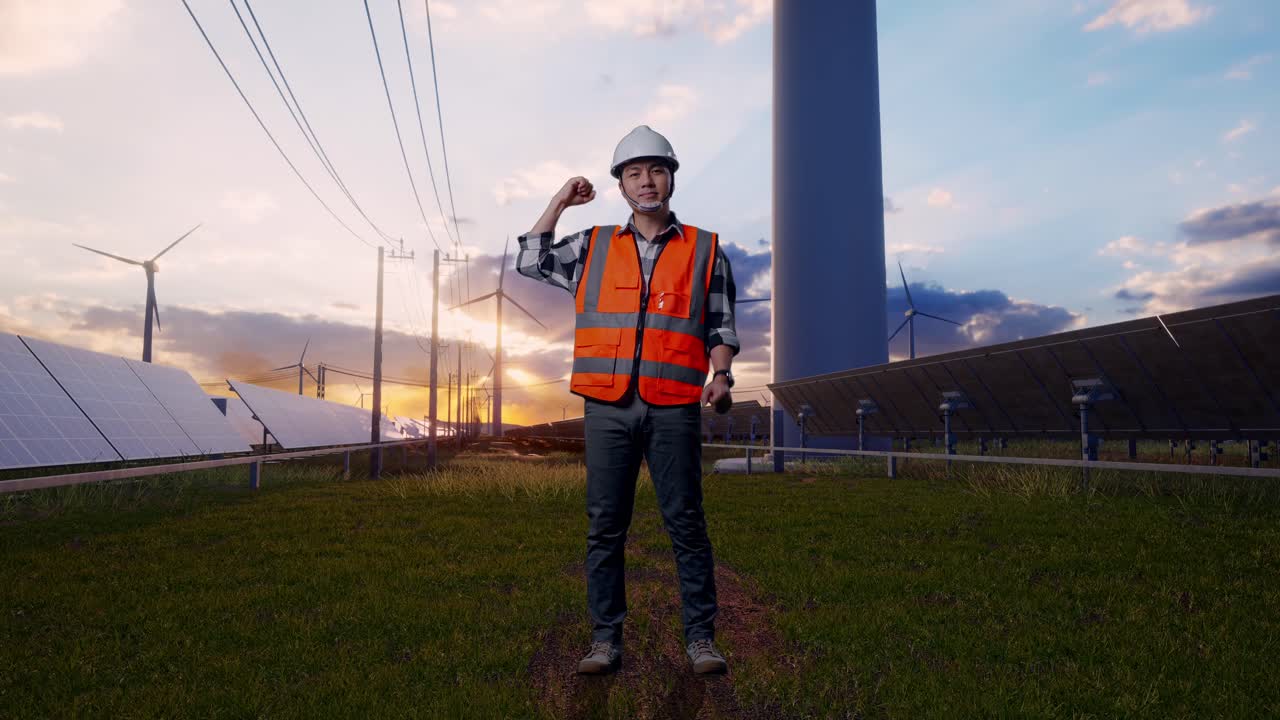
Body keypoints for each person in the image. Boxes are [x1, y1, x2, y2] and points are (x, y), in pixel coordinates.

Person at [516, 126, 740, 675]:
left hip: (673, 404)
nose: (647, 182)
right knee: (604, 526)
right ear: (621, 185)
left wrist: (722, 376)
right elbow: (531, 260)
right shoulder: (592, 245)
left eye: (657, 171)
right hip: (608, 405)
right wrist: (559, 202)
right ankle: (604, 640)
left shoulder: (706, 249)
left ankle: (701, 639)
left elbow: (720, 325)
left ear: (671, 178)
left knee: (685, 522)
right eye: (635, 173)